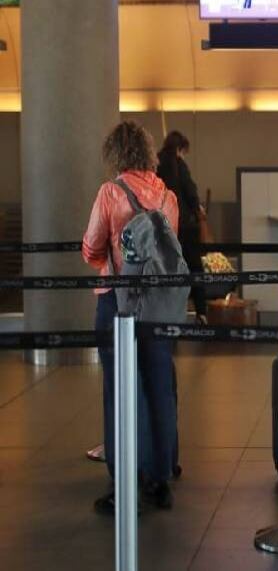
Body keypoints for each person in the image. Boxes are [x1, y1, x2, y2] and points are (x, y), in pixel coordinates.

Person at [82, 120, 180, 514]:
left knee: (121, 392)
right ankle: (160, 479)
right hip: (158, 304)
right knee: (160, 387)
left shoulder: (111, 192)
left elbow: (91, 249)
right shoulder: (167, 196)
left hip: (117, 303)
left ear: (114, 154)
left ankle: (124, 480)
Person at [156, 131, 207, 324]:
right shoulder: (179, 165)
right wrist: (198, 208)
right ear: (179, 149)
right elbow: (190, 192)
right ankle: (201, 313)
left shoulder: (156, 164)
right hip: (186, 227)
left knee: (168, 272)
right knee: (194, 270)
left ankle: (170, 316)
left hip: (164, 228)